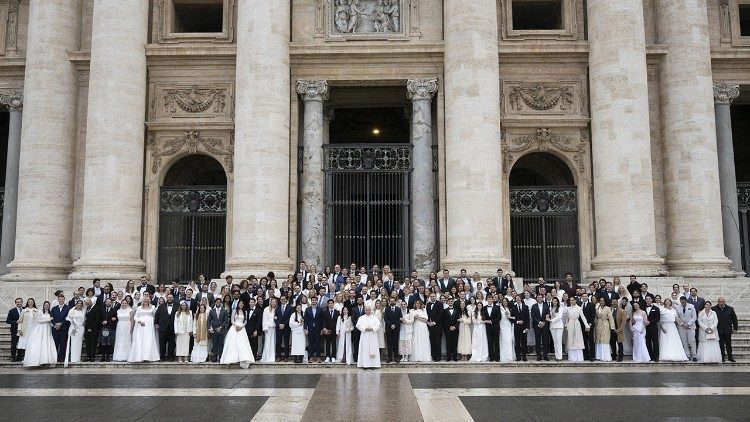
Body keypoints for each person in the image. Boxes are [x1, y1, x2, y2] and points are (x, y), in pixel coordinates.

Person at [221, 300, 255, 368]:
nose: (240, 304)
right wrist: (236, 326)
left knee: (242, 343)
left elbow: (245, 321)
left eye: (242, 303)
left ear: (243, 304)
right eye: (240, 303)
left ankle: (243, 358)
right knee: (232, 343)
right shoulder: (234, 311)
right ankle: (230, 359)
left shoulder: (245, 312)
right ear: (238, 304)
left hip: (242, 328)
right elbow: (232, 320)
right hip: (234, 327)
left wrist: (241, 326)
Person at [23, 301, 57, 367]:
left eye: (48, 305)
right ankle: (38, 361)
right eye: (45, 305)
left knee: (47, 343)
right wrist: (48, 319)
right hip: (41, 329)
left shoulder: (50, 312)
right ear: (43, 306)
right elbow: (39, 320)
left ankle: (46, 360)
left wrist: (55, 325)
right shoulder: (40, 312)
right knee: (40, 343)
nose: (46, 306)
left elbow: (51, 322)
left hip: (47, 329)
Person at [128, 292, 160, 362]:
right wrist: (139, 321)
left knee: (149, 340)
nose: (146, 301)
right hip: (141, 326)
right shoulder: (139, 308)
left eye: (147, 300)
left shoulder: (153, 307)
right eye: (145, 300)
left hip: (150, 326)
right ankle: (140, 357)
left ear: (149, 300)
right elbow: (135, 317)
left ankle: (148, 357)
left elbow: (155, 316)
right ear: (143, 300)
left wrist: (155, 323)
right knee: (141, 340)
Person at [355, 305, 382, 369]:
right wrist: (365, 328)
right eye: (366, 310)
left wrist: (372, 328)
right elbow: (358, 325)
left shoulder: (374, 318)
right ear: (364, 311)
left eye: (369, 310)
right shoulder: (361, 318)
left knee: (373, 350)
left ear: (371, 310)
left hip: (373, 336)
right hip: (365, 336)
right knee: (365, 350)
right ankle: (365, 365)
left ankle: (373, 365)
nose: (368, 311)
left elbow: (378, 325)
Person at [565, 296, 590, 362]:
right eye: (570, 300)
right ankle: (572, 357)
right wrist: (566, 325)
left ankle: (579, 357)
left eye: (572, 300)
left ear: (575, 300)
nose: (571, 301)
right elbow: (566, 318)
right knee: (570, 339)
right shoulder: (568, 308)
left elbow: (583, 317)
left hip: (577, 324)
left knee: (577, 339)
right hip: (570, 324)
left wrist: (587, 325)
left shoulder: (579, 308)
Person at [713, 297, 738, 362]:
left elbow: (734, 319)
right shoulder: (714, 309)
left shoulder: (730, 309)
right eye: (720, 301)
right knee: (721, 344)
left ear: (724, 302)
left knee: (728, 344)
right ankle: (722, 357)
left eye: (722, 301)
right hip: (719, 330)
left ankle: (730, 357)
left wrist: (735, 328)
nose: (721, 303)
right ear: (718, 302)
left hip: (728, 330)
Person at [155, 294, 177, 361]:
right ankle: (162, 357)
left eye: (171, 297)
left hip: (172, 327)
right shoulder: (161, 306)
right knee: (162, 343)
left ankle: (171, 357)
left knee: (172, 343)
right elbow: (157, 315)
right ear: (166, 298)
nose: (170, 298)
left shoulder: (177, 306)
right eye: (169, 297)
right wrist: (156, 323)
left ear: (173, 298)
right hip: (162, 327)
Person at [63, 300, 86, 366]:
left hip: (81, 329)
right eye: (78, 303)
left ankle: (78, 359)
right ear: (76, 304)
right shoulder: (72, 310)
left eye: (81, 303)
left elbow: (84, 319)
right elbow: (69, 319)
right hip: (74, 328)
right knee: (74, 343)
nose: (79, 304)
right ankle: (73, 359)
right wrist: (73, 327)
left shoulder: (83, 311)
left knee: (79, 344)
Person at [675, 296, 697, 362]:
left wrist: (688, 324)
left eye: (684, 302)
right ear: (680, 301)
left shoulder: (691, 306)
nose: (683, 303)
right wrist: (682, 324)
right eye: (682, 302)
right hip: (682, 327)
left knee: (692, 341)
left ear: (686, 301)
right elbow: (676, 317)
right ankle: (687, 355)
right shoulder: (677, 307)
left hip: (690, 327)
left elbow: (694, 317)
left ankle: (694, 356)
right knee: (684, 341)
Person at [50, 295, 70, 363]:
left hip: (64, 328)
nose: (61, 300)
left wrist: (61, 323)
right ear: (58, 300)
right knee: (55, 343)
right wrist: (55, 324)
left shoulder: (68, 308)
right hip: (55, 329)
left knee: (63, 344)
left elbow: (68, 317)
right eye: (60, 299)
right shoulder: (54, 308)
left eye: (62, 299)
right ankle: (54, 358)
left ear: (64, 300)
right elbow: (51, 317)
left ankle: (61, 358)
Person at [594, 297, 615, 362]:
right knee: (598, 340)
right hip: (598, 325)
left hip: (605, 324)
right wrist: (595, 324)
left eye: (603, 300)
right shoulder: (597, 308)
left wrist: (612, 327)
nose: (602, 302)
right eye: (600, 300)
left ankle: (606, 357)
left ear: (605, 301)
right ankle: (599, 356)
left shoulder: (608, 308)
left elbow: (611, 318)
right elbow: (595, 317)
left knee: (605, 339)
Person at [304, 297, 323, 362]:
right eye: (313, 300)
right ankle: (311, 357)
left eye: (315, 300)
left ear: (317, 301)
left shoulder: (320, 309)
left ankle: (318, 357)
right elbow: (305, 320)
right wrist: (305, 328)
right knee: (311, 343)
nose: (314, 301)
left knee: (318, 343)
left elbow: (322, 320)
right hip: (310, 328)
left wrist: (322, 329)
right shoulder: (307, 309)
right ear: (311, 301)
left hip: (318, 328)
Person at [531, 295, 550, 361]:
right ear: (536, 298)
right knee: (537, 341)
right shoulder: (534, 306)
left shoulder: (546, 306)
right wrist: (539, 322)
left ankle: (545, 355)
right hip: (537, 326)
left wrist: (544, 323)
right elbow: (533, 316)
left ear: (542, 298)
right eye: (538, 297)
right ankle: (539, 355)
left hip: (545, 326)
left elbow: (548, 315)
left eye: (540, 297)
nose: (539, 298)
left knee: (545, 341)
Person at [383, 297, 402, 363]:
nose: (392, 302)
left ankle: (396, 358)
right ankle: (390, 357)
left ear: (395, 302)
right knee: (389, 344)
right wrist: (391, 325)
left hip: (396, 329)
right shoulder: (387, 309)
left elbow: (400, 319)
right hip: (389, 329)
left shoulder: (398, 309)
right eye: (391, 301)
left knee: (396, 343)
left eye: (393, 301)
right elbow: (385, 319)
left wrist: (395, 325)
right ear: (389, 302)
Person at [510, 294, 529, 361]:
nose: (518, 299)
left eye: (519, 298)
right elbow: (511, 318)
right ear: (515, 299)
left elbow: (527, 318)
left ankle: (524, 356)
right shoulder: (513, 307)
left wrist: (527, 328)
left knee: (524, 342)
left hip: (524, 328)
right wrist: (517, 322)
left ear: (521, 299)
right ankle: (518, 356)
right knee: (517, 342)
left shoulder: (525, 307)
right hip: (516, 328)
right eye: (516, 298)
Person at [275, 296, 293, 362]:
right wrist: (279, 324)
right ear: (280, 300)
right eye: (281, 299)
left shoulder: (290, 308)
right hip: (278, 327)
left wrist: (284, 324)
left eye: (284, 299)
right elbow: (275, 317)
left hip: (286, 327)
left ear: (286, 300)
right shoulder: (277, 308)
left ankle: (286, 357)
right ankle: (278, 356)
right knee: (278, 342)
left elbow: (290, 318)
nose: (283, 300)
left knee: (286, 342)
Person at [442, 298, 460, 362]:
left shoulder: (457, 310)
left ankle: (455, 357)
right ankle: (448, 357)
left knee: (455, 343)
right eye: (449, 301)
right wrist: (449, 326)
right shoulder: (445, 310)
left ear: (453, 302)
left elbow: (458, 320)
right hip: (447, 329)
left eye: (451, 301)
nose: (450, 302)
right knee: (448, 343)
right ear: (447, 302)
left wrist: (455, 326)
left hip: (455, 329)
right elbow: (444, 320)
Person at [498, 297, 516, 362]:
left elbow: (512, 317)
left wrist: (511, 317)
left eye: (506, 301)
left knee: (509, 340)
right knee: (503, 340)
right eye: (503, 301)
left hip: (508, 325)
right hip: (502, 325)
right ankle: (504, 356)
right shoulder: (500, 308)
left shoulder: (510, 308)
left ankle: (510, 355)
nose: (504, 302)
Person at [261, 297, 278, 363]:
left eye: (275, 302)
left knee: (273, 343)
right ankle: (266, 357)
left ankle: (272, 357)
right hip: (268, 328)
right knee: (267, 343)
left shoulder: (277, 309)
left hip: (274, 328)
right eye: (272, 302)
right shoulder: (266, 309)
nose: (274, 303)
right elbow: (264, 319)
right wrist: (265, 328)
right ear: (270, 302)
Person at [644, 295, 661, 362]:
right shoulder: (643, 308)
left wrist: (650, 322)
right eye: (647, 299)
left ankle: (656, 357)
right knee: (647, 342)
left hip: (653, 328)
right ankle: (650, 356)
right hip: (645, 328)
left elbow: (657, 319)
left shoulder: (656, 308)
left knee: (655, 342)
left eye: (649, 299)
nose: (648, 300)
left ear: (652, 300)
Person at [548, 297, 565, 361]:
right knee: (555, 342)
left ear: (558, 302)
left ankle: (560, 357)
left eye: (556, 301)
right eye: (553, 301)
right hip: (552, 326)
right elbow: (549, 316)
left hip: (559, 326)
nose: (554, 302)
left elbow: (559, 317)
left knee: (558, 341)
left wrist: (551, 320)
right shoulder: (550, 308)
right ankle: (556, 356)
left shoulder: (560, 308)